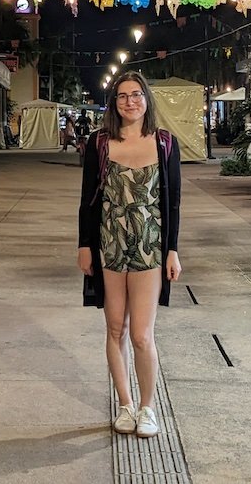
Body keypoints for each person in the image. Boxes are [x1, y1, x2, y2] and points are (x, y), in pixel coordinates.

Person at [77, 71, 182, 439]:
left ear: (147, 99)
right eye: (122, 96)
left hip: (149, 248)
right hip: (109, 247)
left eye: (136, 95)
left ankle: (148, 407)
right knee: (115, 328)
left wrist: (173, 250)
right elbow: (88, 200)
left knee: (141, 334)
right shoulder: (99, 143)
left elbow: (173, 203)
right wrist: (84, 245)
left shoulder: (165, 143)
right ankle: (124, 405)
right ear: (114, 103)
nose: (130, 102)